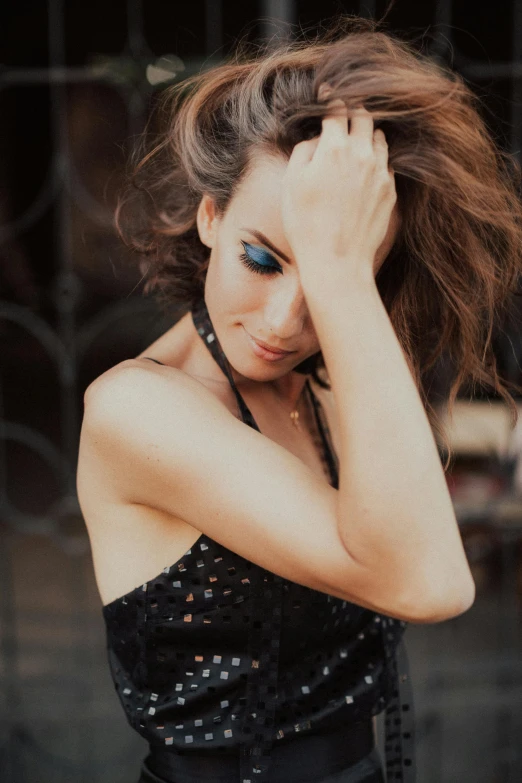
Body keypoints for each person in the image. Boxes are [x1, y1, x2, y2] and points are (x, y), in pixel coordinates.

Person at [76, 15, 522, 783]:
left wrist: (347, 271)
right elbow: (430, 582)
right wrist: (340, 271)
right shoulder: (136, 409)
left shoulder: (325, 384)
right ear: (210, 216)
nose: (286, 322)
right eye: (263, 256)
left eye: (327, 275)